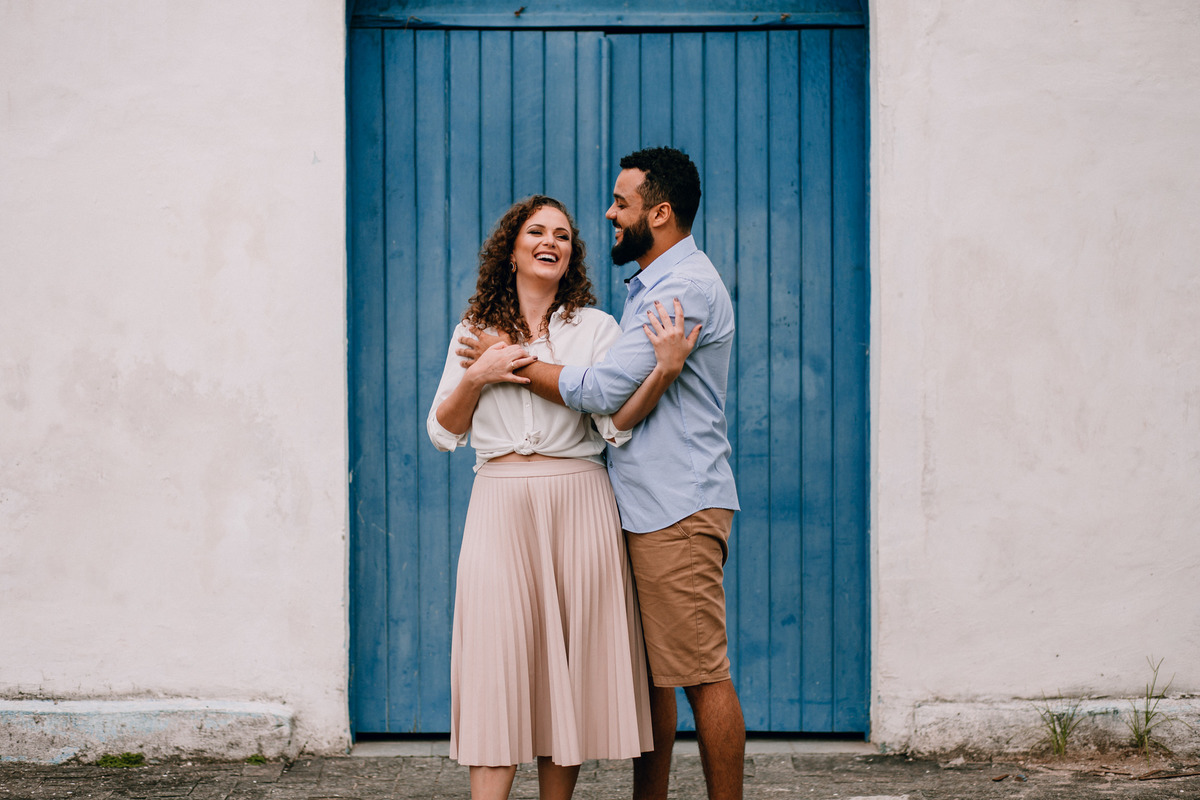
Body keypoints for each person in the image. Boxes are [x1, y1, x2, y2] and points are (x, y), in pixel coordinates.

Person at [460, 148, 745, 800]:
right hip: (643, 505)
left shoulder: (684, 288)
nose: (610, 215)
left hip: (679, 505)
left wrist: (509, 361)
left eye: (622, 203)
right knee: (658, 677)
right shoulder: (651, 288)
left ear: (660, 212)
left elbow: (603, 389)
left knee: (701, 672)